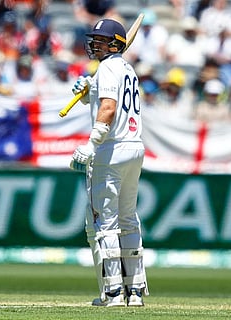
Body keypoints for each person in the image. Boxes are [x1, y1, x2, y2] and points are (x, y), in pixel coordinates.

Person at [69, 18, 149, 307]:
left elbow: (109, 107)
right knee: (128, 220)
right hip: (134, 148)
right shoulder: (126, 68)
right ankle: (135, 291)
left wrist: (91, 145)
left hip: (111, 150)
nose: (93, 44)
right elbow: (107, 99)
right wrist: (89, 90)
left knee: (103, 224)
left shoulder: (108, 68)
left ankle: (113, 293)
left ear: (115, 43)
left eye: (100, 41)